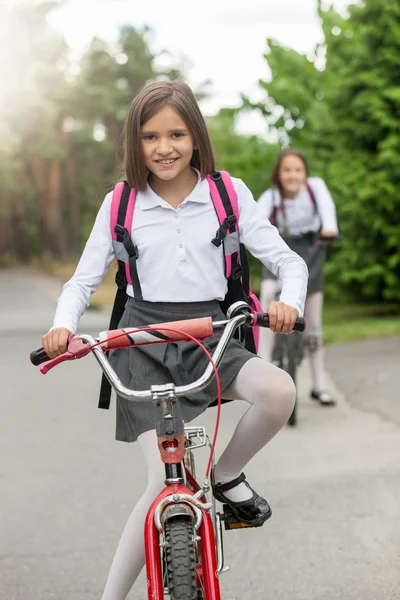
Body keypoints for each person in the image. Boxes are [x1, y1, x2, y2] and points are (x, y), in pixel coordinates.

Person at [41, 81, 308, 600]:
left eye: (176, 134)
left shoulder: (227, 194)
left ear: (196, 137)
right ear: (134, 144)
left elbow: (288, 261)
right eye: (149, 137)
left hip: (212, 334)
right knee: (160, 481)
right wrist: (62, 326)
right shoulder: (120, 203)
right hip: (140, 342)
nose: (164, 148)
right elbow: (81, 282)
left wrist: (288, 304)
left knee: (278, 391)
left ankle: (227, 475)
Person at [257, 148, 339, 406]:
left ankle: (319, 385)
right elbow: (256, 222)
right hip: (278, 251)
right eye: (287, 170)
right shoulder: (270, 197)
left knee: (313, 323)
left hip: (311, 249)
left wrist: (329, 228)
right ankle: (261, 372)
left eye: (297, 170)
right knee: (266, 300)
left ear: (305, 173)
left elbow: (327, 211)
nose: (292, 175)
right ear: (278, 174)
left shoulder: (315, 188)